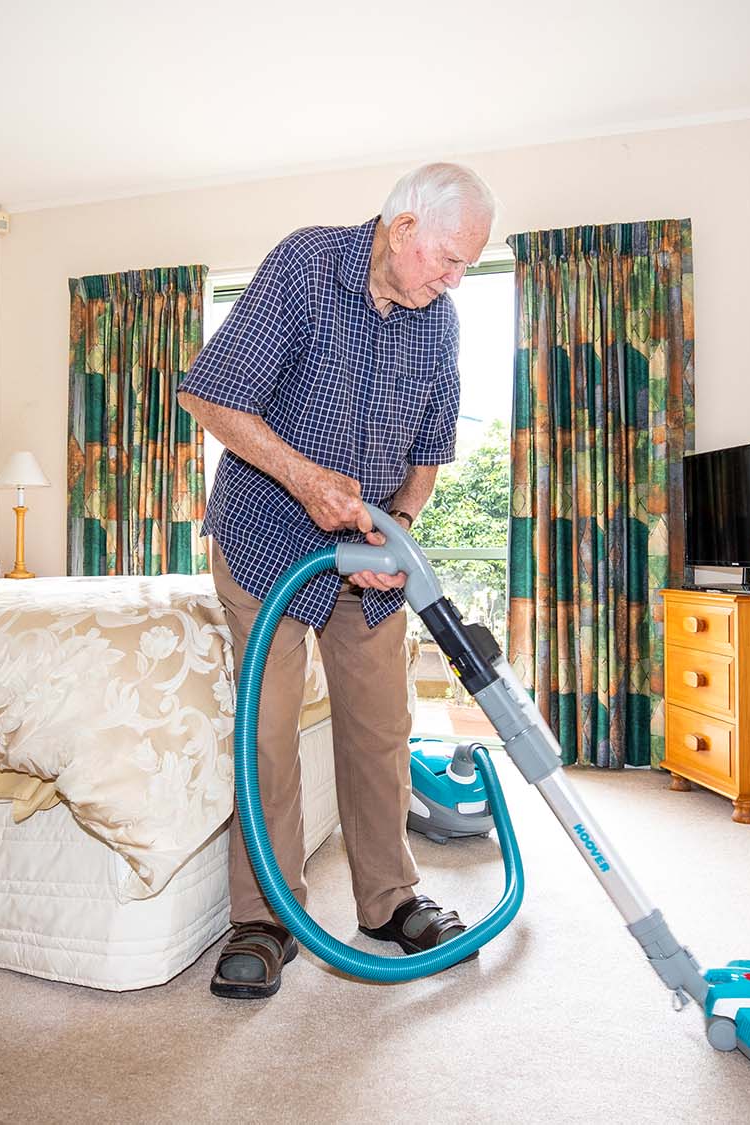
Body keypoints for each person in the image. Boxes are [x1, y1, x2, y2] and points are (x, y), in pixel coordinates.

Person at [177, 162, 495, 999]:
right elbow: (209, 396)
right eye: (450, 259)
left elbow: (429, 452)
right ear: (403, 229)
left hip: (372, 550)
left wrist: (407, 528)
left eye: (466, 264)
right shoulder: (305, 267)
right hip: (267, 537)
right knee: (269, 733)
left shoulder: (440, 321)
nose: (455, 278)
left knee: (382, 728)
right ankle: (264, 918)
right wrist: (306, 479)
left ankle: (389, 901)